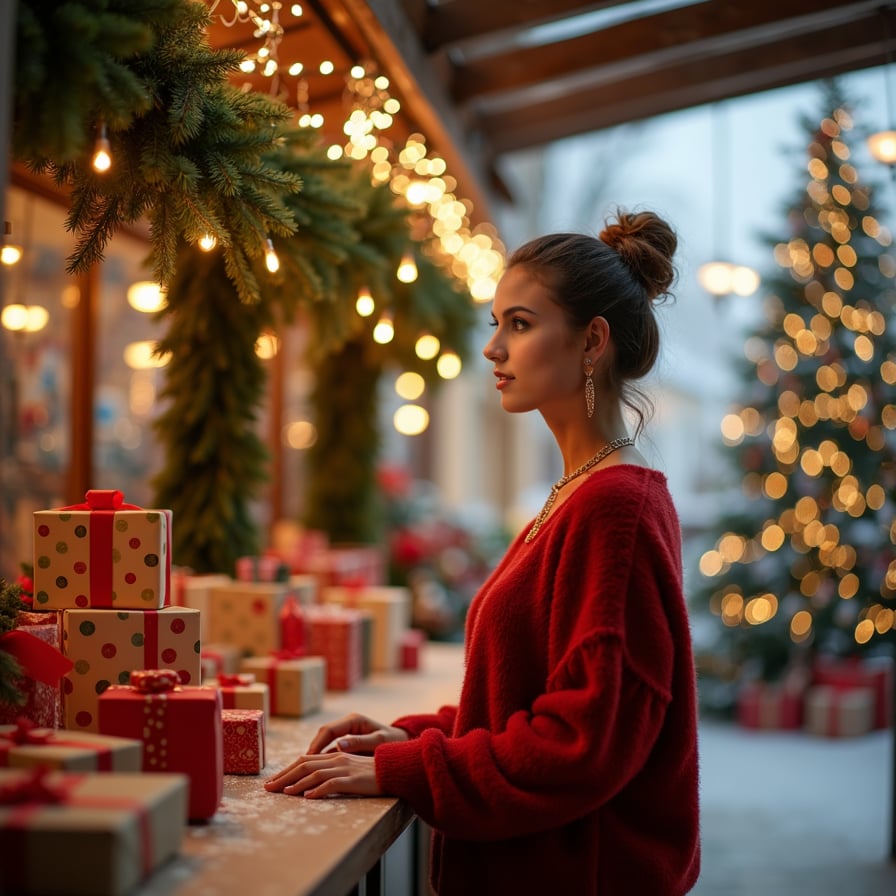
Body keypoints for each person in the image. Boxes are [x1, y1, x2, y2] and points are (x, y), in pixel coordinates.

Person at [265, 208, 701, 895]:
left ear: (592, 342)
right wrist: (411, 739)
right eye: (495, 323)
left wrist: (403, 770)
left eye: (519, 325)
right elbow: (525, 701)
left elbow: (581, 744)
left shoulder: (616, 509)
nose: (493, 349)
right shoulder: (579, 493)